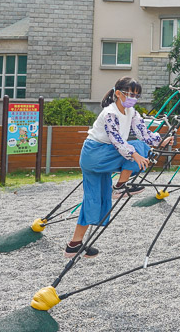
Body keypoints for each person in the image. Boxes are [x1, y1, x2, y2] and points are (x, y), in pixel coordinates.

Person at [65, 76, 174, 259]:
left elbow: (143, 132)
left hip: (101, 155)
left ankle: (74, 245)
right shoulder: (110, 113)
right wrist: (134, 154)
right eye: (130, 94)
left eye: (137, 95)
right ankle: (120, 187)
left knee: (95, 199)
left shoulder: (131, 112)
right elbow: (117, 140)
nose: (133, 98)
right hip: (95, 154)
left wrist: (160, 141)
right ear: (118, 93)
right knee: (138, 148)